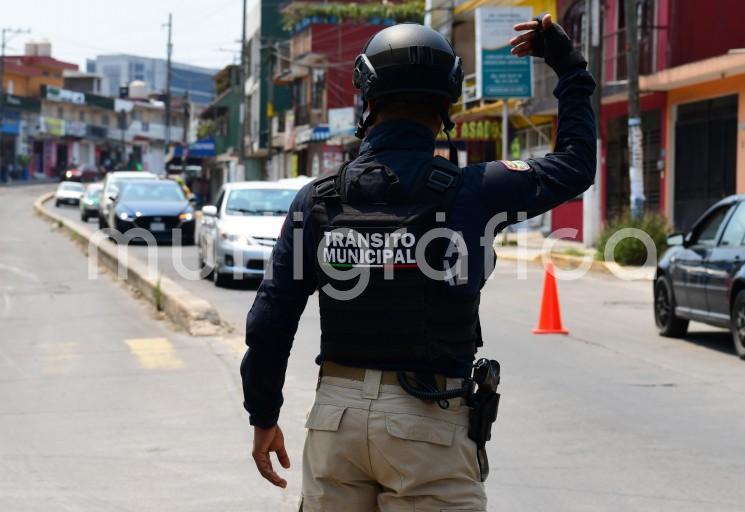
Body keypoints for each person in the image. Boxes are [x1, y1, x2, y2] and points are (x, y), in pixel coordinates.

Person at [241, 14, 596, 511]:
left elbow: (269, 320)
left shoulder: (318, 199)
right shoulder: (478, 190)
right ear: (447, 105)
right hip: (429, 424)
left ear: (367, 100)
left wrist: (263, 415)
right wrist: (569, 67)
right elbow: (576, 165)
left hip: (334, 424)